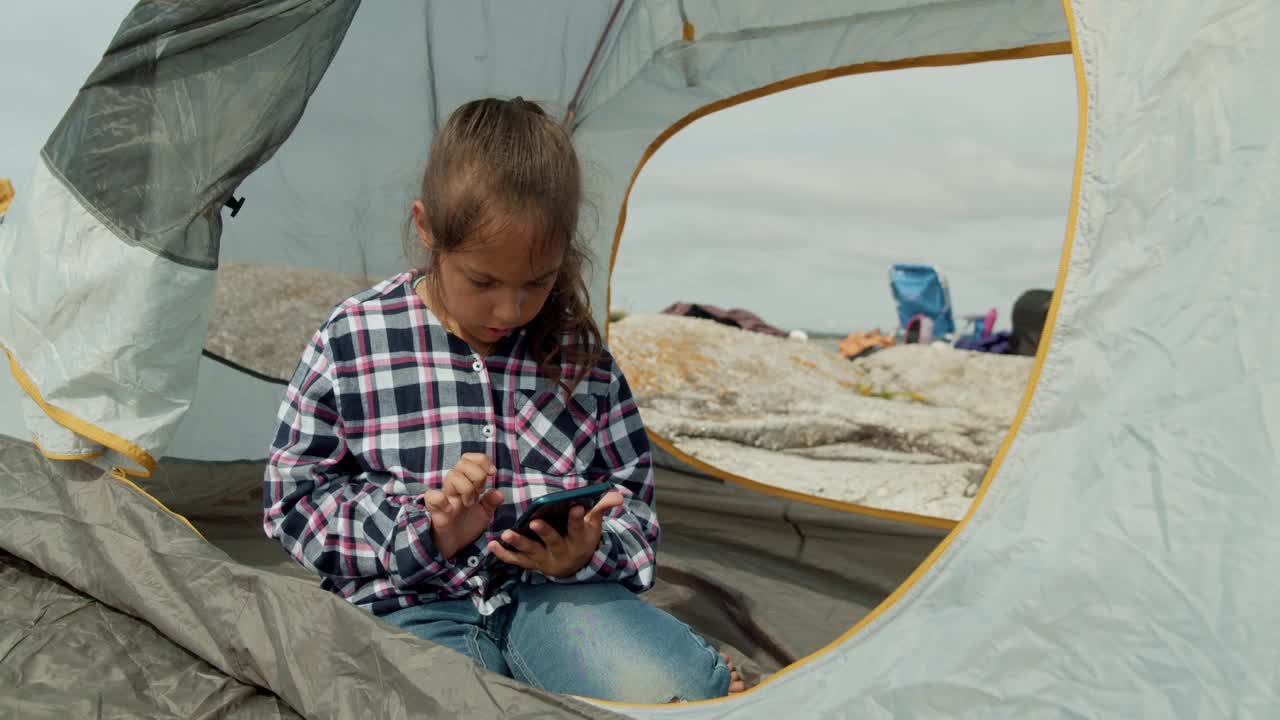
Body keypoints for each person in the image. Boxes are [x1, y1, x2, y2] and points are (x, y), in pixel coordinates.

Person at [263, 97, 744, 703]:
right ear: (426, 229)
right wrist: (425, 533)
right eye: (483, 282)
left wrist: (586, 551)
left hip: (558, 597)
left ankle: (692, 671)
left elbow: (635, 508)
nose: (511, 310)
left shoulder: (580, 359)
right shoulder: (353, 338)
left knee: (682, 694)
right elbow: (293, 501)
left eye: (537, 282)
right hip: (409, 602)